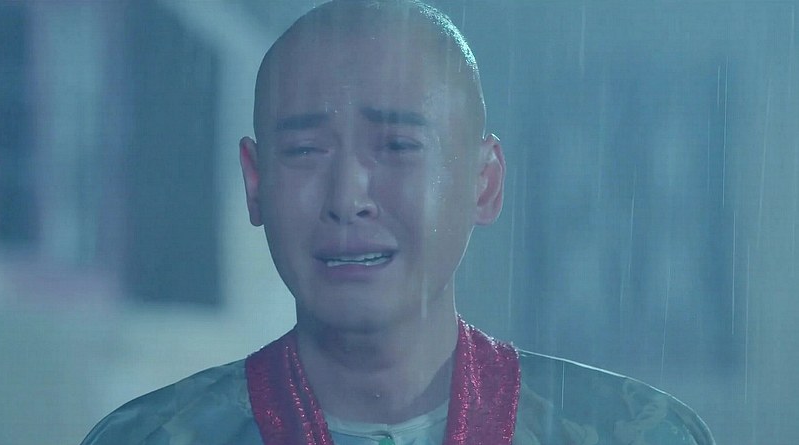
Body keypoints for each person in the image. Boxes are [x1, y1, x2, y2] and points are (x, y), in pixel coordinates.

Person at [81, 1, 714, 444]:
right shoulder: (152, 438)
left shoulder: (631, 432)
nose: (348, 197)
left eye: (398, 146)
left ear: (484, 182)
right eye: (305, 150)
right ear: (256, 182)